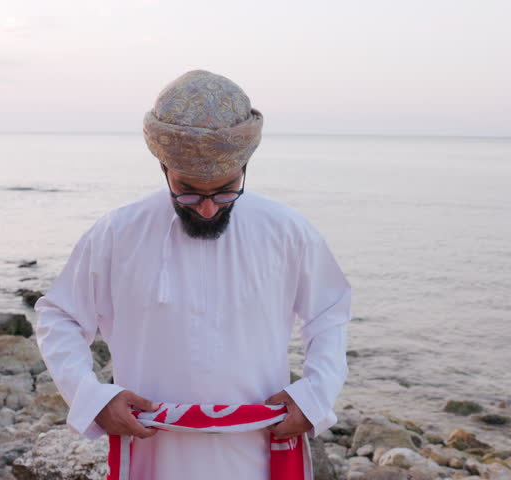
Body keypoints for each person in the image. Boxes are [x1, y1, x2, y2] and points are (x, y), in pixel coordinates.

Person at [34, 69, 351, 480]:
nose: (206, 208)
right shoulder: (117, 232)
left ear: (246, 165)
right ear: (163, 165)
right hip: (153, 449)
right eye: (188, 191)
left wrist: (314, 395)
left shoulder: (287, 231)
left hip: (256, 449)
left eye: (224, 190)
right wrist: (92, 398)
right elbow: (59, 316)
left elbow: (329, 311)